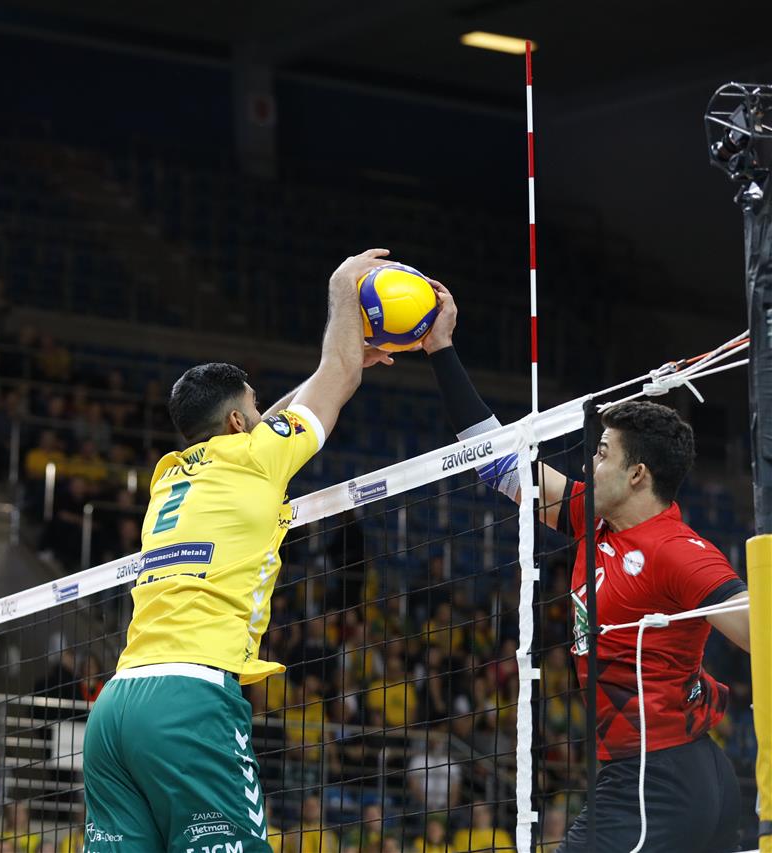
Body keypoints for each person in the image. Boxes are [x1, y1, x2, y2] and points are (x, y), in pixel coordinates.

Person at [82, 250, 395, 850]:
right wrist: (342, 288)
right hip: (190, 703)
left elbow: (265, 426)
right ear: (235, 422)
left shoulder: (169, 474)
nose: (261, 416)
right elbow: (338, 375)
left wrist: (327, 370)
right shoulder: (255, 458)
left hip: (115, 708)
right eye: (253, 408)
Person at [423, 283, 751, 852]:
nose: (588, 464)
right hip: (658, 771)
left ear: (637, 475)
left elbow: (755, 630)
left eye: (602, 454)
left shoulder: (676, 550)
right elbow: (499, 466)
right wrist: (440, 348)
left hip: (658, 777)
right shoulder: (592, 520)